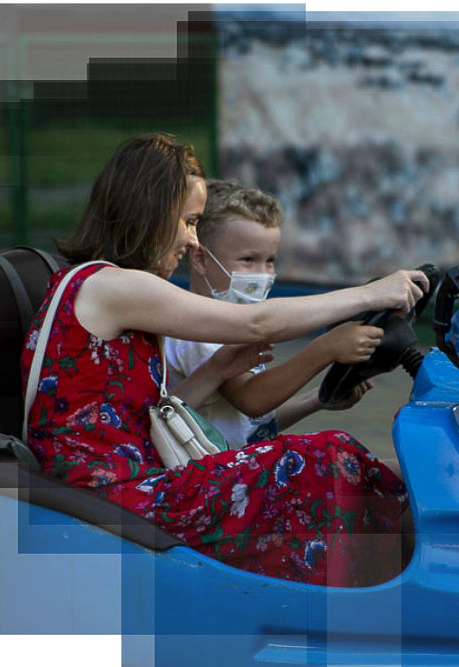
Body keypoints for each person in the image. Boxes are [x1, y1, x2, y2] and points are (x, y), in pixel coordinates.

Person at [21, 133, 427, 587]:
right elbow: (257, 323)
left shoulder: (114, 293)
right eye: (189, 222)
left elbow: (151, 418)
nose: (193, 241)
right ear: (152, 211)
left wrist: (217, 370)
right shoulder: (112, 286)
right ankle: (369, 593)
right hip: (110, 498)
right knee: (325, 457)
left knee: (341, 460)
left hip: (128, 485)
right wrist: (370, 294)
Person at [165, 179, 379, 445]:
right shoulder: (197, 330)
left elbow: (251, 425)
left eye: (270, 261)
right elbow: (252, 399)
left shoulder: (232, 327)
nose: (263, 274)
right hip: (213, 468)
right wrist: (325, 349)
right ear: (200, 259)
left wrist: (318, 399)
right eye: (248, 260)